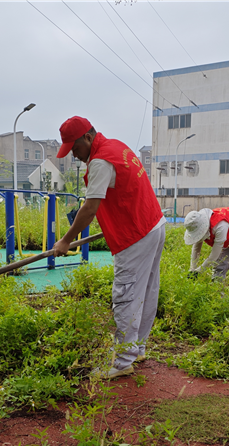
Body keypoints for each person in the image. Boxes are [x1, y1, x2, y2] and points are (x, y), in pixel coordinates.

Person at [51, 116, 166, 379]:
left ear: (88, 138)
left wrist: (66, 240)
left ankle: (123, 362)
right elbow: (124, 190)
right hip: (152, 223)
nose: (75, 155)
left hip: (136, 233)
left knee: (125, 295)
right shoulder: (116, 147)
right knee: (146, 290)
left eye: (75, 149)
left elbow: (90, 208)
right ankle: (137, 349)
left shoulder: (101, 162)